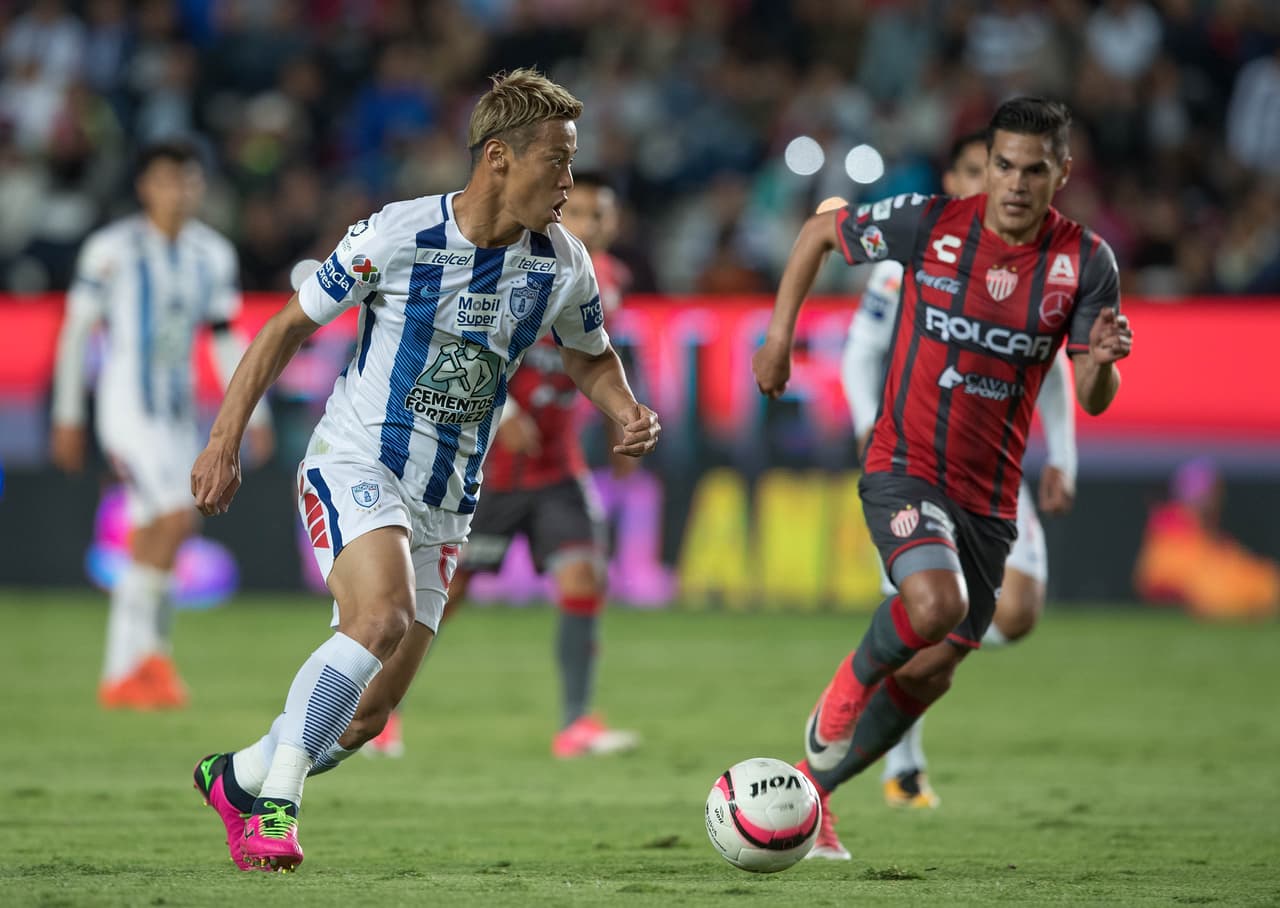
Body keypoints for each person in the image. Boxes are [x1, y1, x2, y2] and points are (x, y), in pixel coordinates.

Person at [188, 69, 660, 873]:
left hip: (450, 501)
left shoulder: (562, 263)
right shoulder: (397, 236)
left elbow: (591, 355)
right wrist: (223, 437)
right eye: (558, 160)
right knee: (379, 618)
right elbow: (283, 330)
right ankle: (277, 807)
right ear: (500, 157)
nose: (570, 182)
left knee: (366, 717)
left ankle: (236, 777)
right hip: (357, 459)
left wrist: (623, 408)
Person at [752, 97, 1132, 860]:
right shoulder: (930, 224)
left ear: (1060, 173)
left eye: (1034, 170)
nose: (1015, 184)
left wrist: (1104, 362)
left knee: (935, 667)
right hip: (905, 463)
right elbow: (820, 230)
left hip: (991, 499)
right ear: (985, 166)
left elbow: (1090, 394)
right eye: (1002, 166)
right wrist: (779, 336)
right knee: (935, 603)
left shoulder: (1085, 263)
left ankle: (809, 793)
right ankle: (839, 700)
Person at [839, 132, 1078, 810]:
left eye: (1004, 172)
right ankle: (902, 763)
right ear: (953, 178)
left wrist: (1063, 454)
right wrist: (865, 423)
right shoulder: (911, 256)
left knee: (1018, 612)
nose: (995, 187)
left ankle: (892, 687)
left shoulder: (1043, 264)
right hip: (915, 463)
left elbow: (1053, 368)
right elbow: (861, 349)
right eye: (979, 172)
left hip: (994, 473)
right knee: (934, 615)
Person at [366, 172, 640, 760]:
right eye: (582, 212)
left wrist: (623, 416)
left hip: (558, 468)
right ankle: (380, 713)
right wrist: (507, 404)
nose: (591, 224)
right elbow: (461, 339)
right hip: (490, 465)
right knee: (442, 594)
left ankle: (576, 722)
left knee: (583, 578)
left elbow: (595, 357)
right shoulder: (516, 263)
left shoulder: (603, 279)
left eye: (602, 213)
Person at [50, 140, 273, 711]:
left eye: (189, 180)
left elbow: (226, 336)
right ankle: (145, 659)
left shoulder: (212, 254)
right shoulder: (112, 249)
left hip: (179, 414)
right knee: (176, 518)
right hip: (126, 408)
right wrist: (68, 414)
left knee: (163, 528)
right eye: (168, 179)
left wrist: (256, 412)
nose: (180, 191)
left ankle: (130, 670)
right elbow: (77, 333)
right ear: (145, 187)